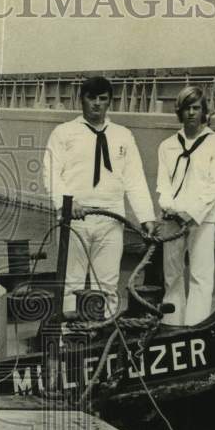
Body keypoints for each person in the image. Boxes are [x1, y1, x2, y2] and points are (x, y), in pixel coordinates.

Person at [42, 76, 156, 318]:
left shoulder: (123, 135)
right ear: (81, 100)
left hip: (112, 219)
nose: (96, 104)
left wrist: (147, 217)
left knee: (106, 285)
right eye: (91, 98)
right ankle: (68, 337)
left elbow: (135, 179)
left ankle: (103, 332)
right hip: (75, 221)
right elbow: (51, 173)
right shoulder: (63, 133)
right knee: (71, 283)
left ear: (109, 102)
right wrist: (68, 203)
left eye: (102, 99)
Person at [156, 85, 215, 326]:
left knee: (201, 275)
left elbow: (214, 185)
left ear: (204, 111)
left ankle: (196, 325)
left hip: (202, 219)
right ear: (180, 111)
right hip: (172, 219)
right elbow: (162, 183)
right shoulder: (167, 145)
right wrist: (168, 207)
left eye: (196, 108)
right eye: (186, 108)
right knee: (172, 275)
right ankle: (173, 323)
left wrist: (192, 213)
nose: (191, 113)